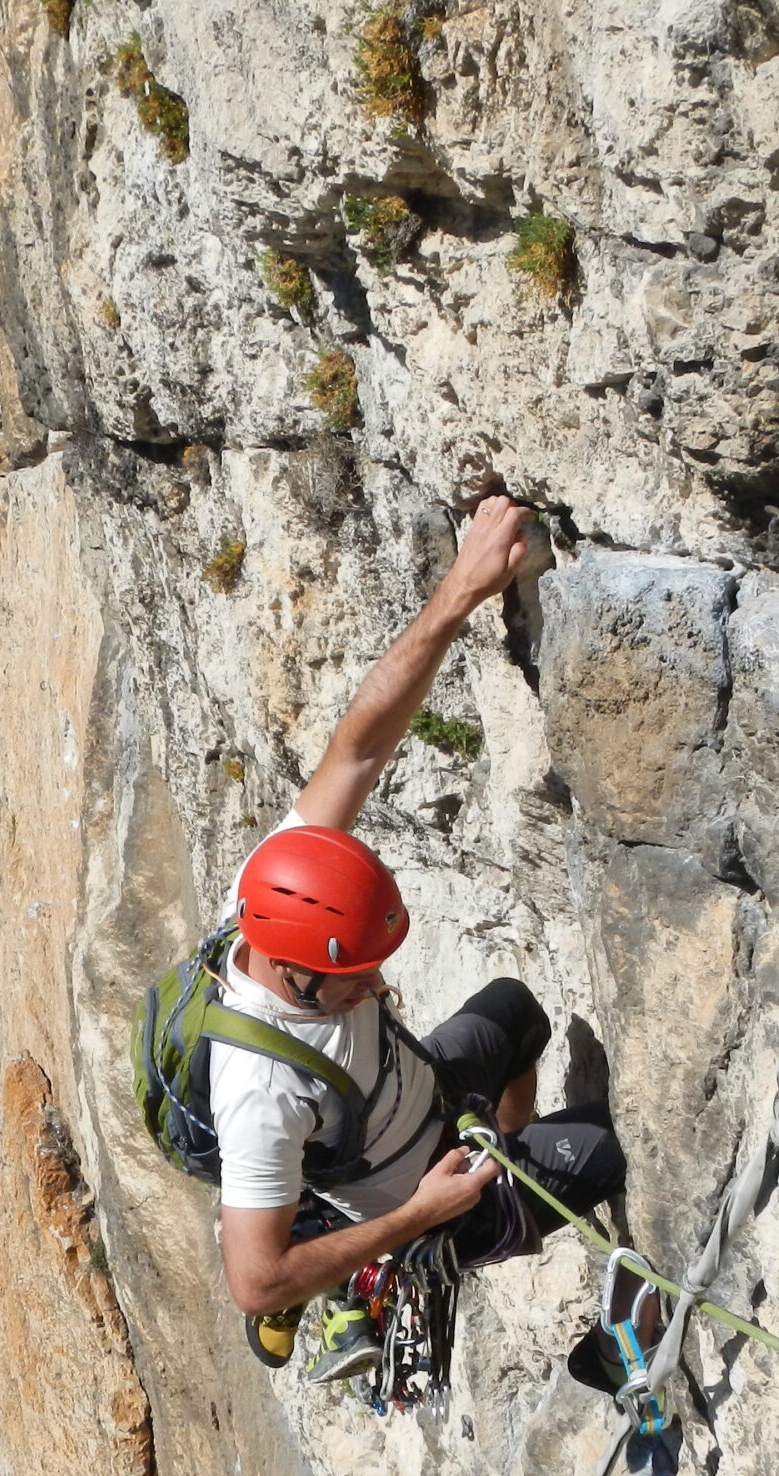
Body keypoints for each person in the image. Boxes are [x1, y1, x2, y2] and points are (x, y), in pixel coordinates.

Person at [212, 494, 632, 1383]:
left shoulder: (277, 882)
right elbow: (252, 1281)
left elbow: (359, 749)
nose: (376, 988)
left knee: (517, 1013)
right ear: (294, 973)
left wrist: (460, 592)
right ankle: (456, 1234)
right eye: (357, 979)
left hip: (423, 1101)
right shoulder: (259, 1090)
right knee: (609, 1149)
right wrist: (424, 1212)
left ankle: (507, 1161)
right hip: (420, 1198)